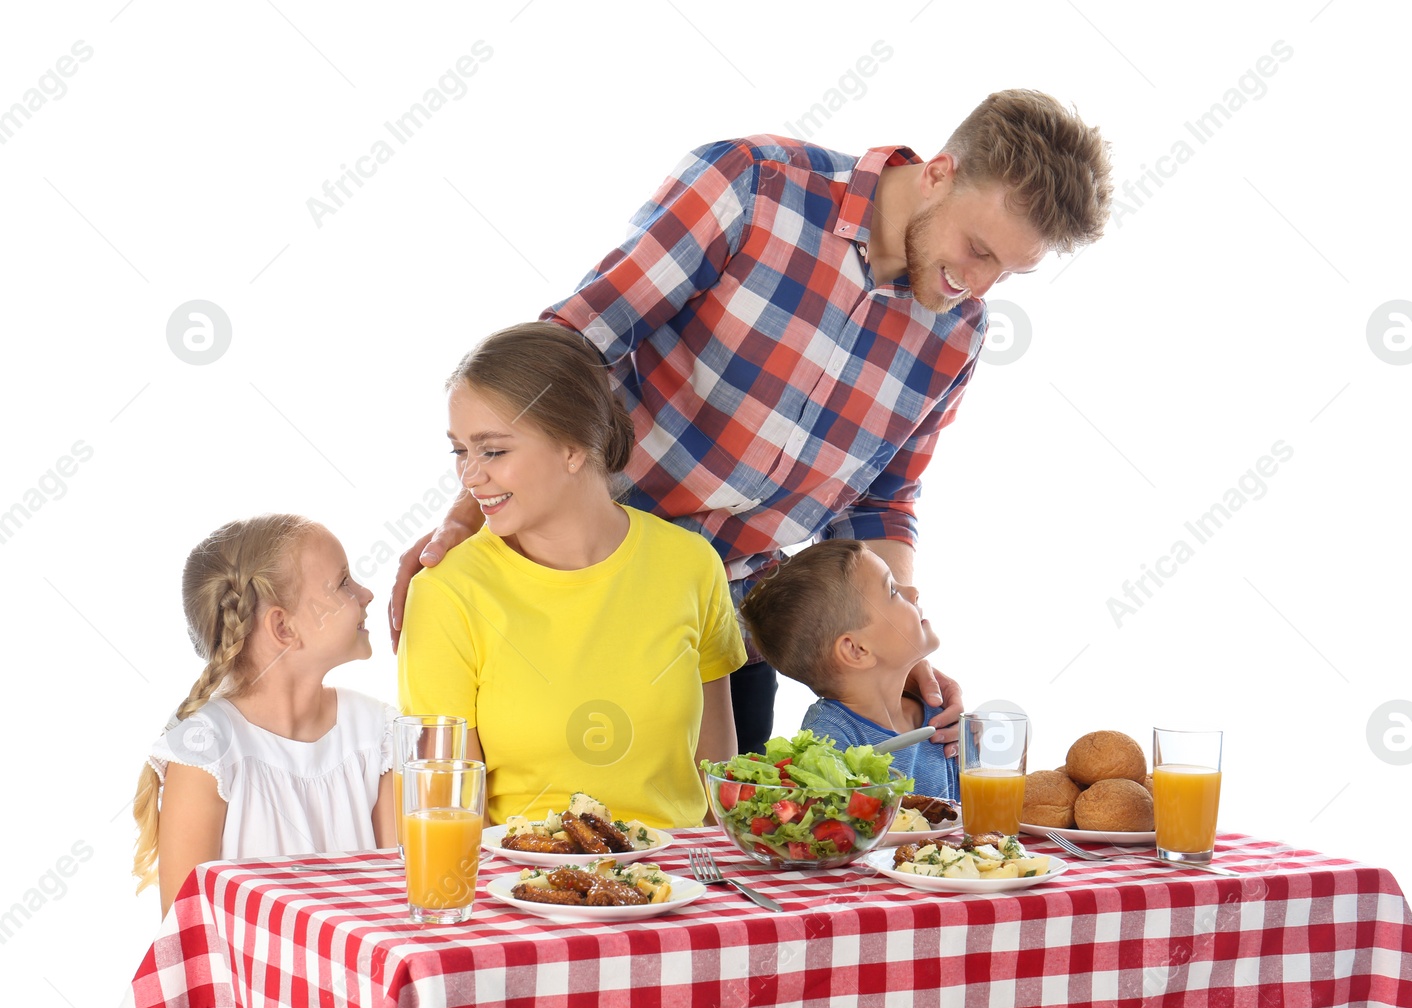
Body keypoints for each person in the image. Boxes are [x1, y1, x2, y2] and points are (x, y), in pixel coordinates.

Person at [389, 89, 1113, 757]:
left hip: (727, 634)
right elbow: (579, 342)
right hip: (578, 590)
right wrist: (469, 509)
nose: (977, 286)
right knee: (531, 846)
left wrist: (903, 659)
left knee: (709, 879)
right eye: (978, 250)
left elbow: (880, 504)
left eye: (1008, 274)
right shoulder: (754, 187)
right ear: (938, 173)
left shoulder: (958, 334)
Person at [396, 322, 745, 828]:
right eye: (459, 450)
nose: (470, 475)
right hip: (523, 889)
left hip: (677, 889)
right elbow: (449, 813)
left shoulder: (691, 564)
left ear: (574, 447)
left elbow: (715, 784)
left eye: (492, 450)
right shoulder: (447, 593)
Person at [132, 515, 393, 916]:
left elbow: (402, 891)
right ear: (283, 627)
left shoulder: (380, 734)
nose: (367, 593)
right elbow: (188, 938)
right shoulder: (208, 754)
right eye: (344, 582)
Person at [739, 539, 958, 800]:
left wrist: (979, 744)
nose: (913, 591)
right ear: (856, 650)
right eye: (892, 590)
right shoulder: (829, 737)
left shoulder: (941, 714)